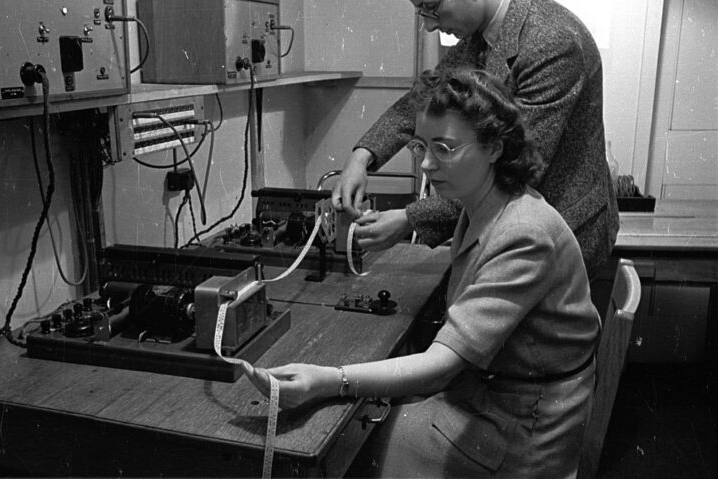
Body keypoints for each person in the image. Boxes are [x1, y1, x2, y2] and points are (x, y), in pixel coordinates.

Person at [246, 68, 601, 478]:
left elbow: (443, 364)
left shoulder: (525, 234)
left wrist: (329, 379)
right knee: (370, 423)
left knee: (358, 446)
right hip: (497, 391)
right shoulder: (485, 206)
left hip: (525, 425)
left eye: (445, 148)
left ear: (494, 148)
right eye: (422, 148)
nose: (428, 165)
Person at [333, 0, 619, 276]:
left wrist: (410, 219)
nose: (430, 25)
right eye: (421, 11)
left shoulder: (552, 42)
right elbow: (428, 102)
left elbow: (515, 168)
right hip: (513, 225)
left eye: (432, 6)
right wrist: (362, 156)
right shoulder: (485, 35)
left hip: (558, 232)